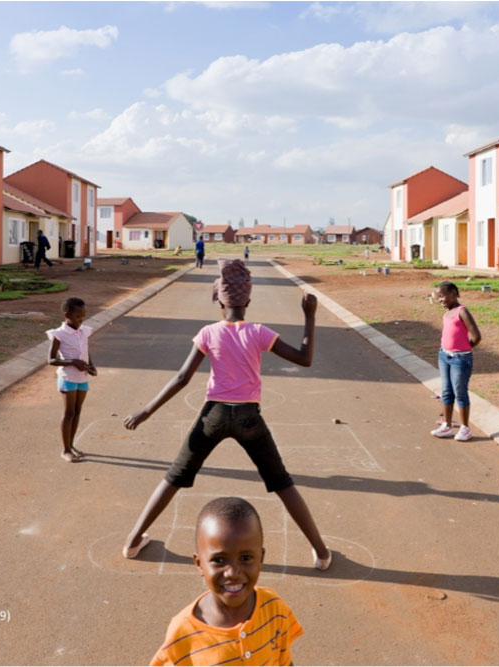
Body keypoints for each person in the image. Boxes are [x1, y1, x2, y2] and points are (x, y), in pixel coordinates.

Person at [123, 259, 332, 570]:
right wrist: (309, 317)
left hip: (214, 416)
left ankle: (132, 542)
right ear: (248, 300)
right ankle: (322, 553)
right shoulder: (259, 332)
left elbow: (182, 377)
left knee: (173, 478)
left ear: (218, 300)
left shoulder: (208, 333)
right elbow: (305, 359)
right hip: (249, 417)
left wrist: (147, 409)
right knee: (282, 483)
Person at [150, 497, 303, 666]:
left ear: (261, 558)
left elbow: (285, 660)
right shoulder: (182, 634)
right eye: (219, 560)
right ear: (199, 564)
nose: (232, 573)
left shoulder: (274, 607)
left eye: (245, 558)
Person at [47, 297, 97, 462]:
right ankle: (65, 449)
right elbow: (51, 360)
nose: (81, 320)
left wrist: (91, 366)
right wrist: (72, 362)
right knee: (69, 413)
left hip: (82, 378)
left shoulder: (84, 331)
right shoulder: (59, 334)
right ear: (67, 314)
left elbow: (85, 350)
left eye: (83, 316)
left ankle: (72, 444)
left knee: (77, 412)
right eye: (77, 316)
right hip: (68, 378)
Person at [431, 281, 481, 442]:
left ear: (453, 294)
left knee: (460, 392)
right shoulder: (447, 313)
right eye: (438, 297)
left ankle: (465, 428)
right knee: (446, 392)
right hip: (444, 356)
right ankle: (446, 425)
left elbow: (476, 336)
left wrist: (465, 349)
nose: (440, 300)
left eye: (442, 296)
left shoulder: (462, 311)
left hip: (460, 358)